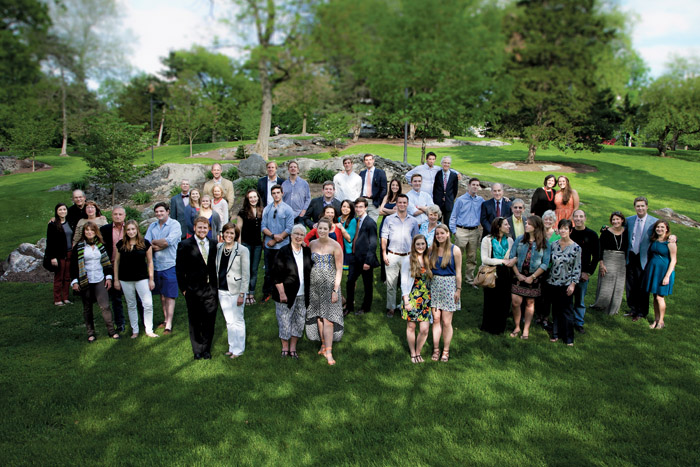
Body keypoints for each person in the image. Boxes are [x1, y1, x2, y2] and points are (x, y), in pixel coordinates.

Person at [176, 216, 218, 360]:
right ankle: (197, 350)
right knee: (195, 321)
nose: (202, 230)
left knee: (209, 320)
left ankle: (206, 349)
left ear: (209, 229)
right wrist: (184, 289)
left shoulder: (214, 244)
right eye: (199, 227)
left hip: (210, 290)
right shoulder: (185, 245)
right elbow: (180, 270)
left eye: (205, 227)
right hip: (193, 289)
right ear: (194, 228)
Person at [70, 222, 119, 342]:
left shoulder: (101, 245)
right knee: (87, 308)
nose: (89, 232)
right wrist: (75, 281)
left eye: (92, 230)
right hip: (85, 280)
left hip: (99, 279)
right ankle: (90, 333)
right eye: (87, 230)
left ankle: (111, 331)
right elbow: (73, 266)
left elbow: (106, 263)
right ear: (84, 232)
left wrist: (108, 278)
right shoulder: (79, 247)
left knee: (105, 306)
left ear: (95, 231)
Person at [306, 218, 344, 365]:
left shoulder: (335, 246)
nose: (322, 231)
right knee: (319, 317)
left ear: (329, 229)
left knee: (328, 319)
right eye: (319, 228)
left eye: (325, 229)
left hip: (330, 286)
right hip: (314, 286)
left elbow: (339, 270)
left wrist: (335, 290)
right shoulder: (311, 244)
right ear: (316, 229)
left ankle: (329, 352)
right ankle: (323, 345)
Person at [271, 224, 312, 358]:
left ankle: (293, 347)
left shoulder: (306, 251)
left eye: (301, 234)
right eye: (296, 234)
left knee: (299, 321)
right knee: (284, 321)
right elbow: (276, 275)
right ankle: (285, 347)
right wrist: (282, 293)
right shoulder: (283, 251)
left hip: (302, 294)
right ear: (291, 235)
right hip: (286, 294)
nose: (299, 237)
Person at [113, 220, 157, 338]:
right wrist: (116, 280)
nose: (131, 232)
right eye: (128, 229)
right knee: (131, 304)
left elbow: (150, 262)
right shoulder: (121, 244)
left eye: (133, 229)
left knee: (147, 304)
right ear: (125, 231)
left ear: (137, 230)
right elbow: (116, 262)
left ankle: (149, 329)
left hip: (142, 278)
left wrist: (151, 279)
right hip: (125, 279)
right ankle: (135, 330)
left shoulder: (145, 243)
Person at [509, 215, 551, 339]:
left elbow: (545, 263)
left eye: (529, 224)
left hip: (534, 277)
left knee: (529, 302)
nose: (526, 225)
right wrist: (518, 274)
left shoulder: (544, 243)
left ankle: (526, 329)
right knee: (516, 302)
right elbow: (512, 257)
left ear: (536, 227)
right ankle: (517, 326)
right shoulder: (520, 240)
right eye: (526, 223)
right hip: (518, 275)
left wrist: (532, 277)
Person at [144, 202, 182, 334]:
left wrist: (155, 243)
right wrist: (159, 244)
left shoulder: (175, 225)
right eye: (157, 212)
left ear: (167, 211)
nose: (159, 214)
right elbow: (146, 243)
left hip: (170, 264)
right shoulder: (152, 226)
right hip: (155, 265)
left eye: (161, 211)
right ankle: (165, 319)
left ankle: (169, 324)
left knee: (170, 295)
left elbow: (168, 241)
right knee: (162, 295)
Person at [381, 194, 420, 317]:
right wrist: (383, 253)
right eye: (400, 202)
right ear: (396, 204)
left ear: (407, 204)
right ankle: (391, 307)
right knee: (391, 283)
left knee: (407, 283)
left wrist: (416, 256)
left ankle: (405, 306)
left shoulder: (413, 221)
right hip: (392, 254)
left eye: (404, 202)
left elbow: (416, 239)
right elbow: (384, 237)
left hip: (408, 256)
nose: (402, 205)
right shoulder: (389, 219)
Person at [216, 223, 250, 357]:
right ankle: (232, 347)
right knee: (229, 320)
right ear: (223, 234)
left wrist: (243, 293)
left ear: (236, 235)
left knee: (238, 320)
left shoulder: (242, 250)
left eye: (232, 233)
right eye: (227, 233)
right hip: (222, 289)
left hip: (236, 290)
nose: (229, 235)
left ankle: (239, 349)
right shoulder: (219, 247)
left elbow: (246, 274)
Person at [429, 224, 462, 362]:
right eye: (437, 234)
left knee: (446, 321)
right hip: (435, 285)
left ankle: (446, 350)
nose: (439, 236)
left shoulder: (455, 250)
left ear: (448, 234)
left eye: (442, 233)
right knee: (436, 319)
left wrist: (458, 289)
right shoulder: (432, 249)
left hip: (449, 285)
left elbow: (459, 271)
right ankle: (436, 349)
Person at [546, 219, 582, 346]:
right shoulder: (554, 244)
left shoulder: (576, 248)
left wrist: (573, 284)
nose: (563, 231)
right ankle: (555, 334)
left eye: (566, 229)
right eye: (561, 228)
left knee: (566, 311)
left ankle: (568, 338)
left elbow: (577, 268)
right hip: (553, 282)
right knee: (555, 309)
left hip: (566, 283)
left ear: (570, 231)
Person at [625, 196, 659, 322]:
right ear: (634, 207)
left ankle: (641, 311)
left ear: (647, 207)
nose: (640, 208)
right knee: (630, 284)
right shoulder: (629, 220)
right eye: (637, 206)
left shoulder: (654, 221)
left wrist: (674, 238)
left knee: (642, 285)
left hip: (644, 257)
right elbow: (617, 226)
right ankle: (632, 309)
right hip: (631, 255)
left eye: (642, 206)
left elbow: (664, 232)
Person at [400, 235, 433, 363]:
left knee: (424, 329)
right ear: (414, 245)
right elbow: (403, 281)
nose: (420, 247)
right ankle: (413, 353)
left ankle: (418, 351)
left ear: (426, 245)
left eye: (422, 244)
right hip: (412, 296)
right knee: (411, 326)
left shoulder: (428, 259)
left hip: (426, 298)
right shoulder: (408, 260)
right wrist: (406, 299)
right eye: (418, 244)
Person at [480, 218, 515, 335]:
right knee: (491, 300)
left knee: (504, 300)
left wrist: (509, 261)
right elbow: (484, 259)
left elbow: (513, 256)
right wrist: (502, 261)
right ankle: (488, 326)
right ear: (499, 226)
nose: (509, 226)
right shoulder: (487, 240)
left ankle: (500, 326)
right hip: (492, 272)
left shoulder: (510, 240)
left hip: (506, 273)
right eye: (506, 224)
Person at [345, 198, 380, 316]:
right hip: (355, 258)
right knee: (350, 282)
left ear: (365, 208)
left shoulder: (370, 223)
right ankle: (349, 306)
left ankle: (366, 307)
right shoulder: (355, 221)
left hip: (365, 260)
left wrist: (368, 261)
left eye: (361, 207)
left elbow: (373, 244)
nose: (358, 209)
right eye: (356, 207)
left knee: (367, 284)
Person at [261, 184, 295, 299]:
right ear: (271, 195)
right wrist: (272, 236)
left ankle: (282, 292)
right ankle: (267, 292)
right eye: (274, 193)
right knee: (269, 270)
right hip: (269, 246)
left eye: (278, 192)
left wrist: (275, 241)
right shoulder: (267, 209)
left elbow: (289, 228)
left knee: (282, 270)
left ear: (282, 193)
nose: (276, 195)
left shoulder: (288, 209)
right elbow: (263, 226)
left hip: (282, 246)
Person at [449, 178, 484, 288]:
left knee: (472, 257)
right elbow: (453, 216)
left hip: (474, 231)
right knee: (456, 256)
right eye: (473, 184)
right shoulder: (460, 200)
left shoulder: (481, 200)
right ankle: (453, 279)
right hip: (461, 230)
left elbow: (491, 205)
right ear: (468, 185)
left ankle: (469, 280)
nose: (475, 187)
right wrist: (454, 231)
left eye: (477, 185)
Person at [592, 212, 628, 315]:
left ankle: (613, 307)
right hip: (608, 258)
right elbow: (600, 248)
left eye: (618, 219)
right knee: (606, 283)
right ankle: (601, 305)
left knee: (618, 284)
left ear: (622, 220)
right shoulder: (606, 232)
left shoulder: (626, 232)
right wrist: (601, 264)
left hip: (621, 260)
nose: (615, 221)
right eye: (613, 220)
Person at [569, 209, 599, 334]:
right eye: (576, 216)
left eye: (581, 216)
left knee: (580, 299)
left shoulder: (591, 235)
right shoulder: (569, 233)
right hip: (568, 271)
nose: (578, 219)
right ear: (573, 218)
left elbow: (596, 256)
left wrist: (588, 272)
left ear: (585, 218)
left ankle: (579, 322)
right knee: (568, 298)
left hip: (583, 271)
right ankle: (568, 320)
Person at [643, 220, 676, 329]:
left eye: (662, 227)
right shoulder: (654, 240)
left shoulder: (670, 243)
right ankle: (656, 320)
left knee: (659, 297)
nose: (659, 229)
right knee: (654, 296)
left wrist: (667, 276)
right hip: (654, 271)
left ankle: (661, 321)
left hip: (664, 272)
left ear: (666, 229)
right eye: (658, 227)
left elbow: (673, 260)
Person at [100, 206, 127, 333]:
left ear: (124, 216)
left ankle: (141, 323)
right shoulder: (104, 230)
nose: (117, 216)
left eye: (120, 214)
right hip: (111, 266)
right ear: (112, 216)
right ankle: (120, 323)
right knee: (116, 297)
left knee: (133, 296)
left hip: (127, 266)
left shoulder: (130, 228)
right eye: (115, 214)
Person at [236, 189, 263, 305]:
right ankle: (244, 293)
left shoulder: (261, 211)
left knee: (254, 270)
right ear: (247, 199)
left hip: (257, 245)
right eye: (250, 197)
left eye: (255, 197)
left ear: (258, 198)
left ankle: (251, 293)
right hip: (245, 244)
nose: (253, 199)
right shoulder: (242, 212)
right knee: (245, 270)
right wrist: (239, 244)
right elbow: (238, 229)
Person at [45, 203, 73, 306]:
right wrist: (52, 257)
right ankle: (57, 299)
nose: (62, 211)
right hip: (59, 255)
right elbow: (50, 242)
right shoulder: (52, 225)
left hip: (70, 253)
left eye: (64, 209)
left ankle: (65, 298)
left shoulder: (69, 222)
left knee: (67, 277)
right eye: (60, 210)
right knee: (59, 277)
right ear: (56, 211)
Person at [359, 153, 387, 221]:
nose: (368, 162)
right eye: (366, 160)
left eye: (370, 160)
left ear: (373, 160)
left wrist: (378, 201)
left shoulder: (380, 172)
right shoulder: (362, 173)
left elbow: (384, 189)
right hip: (363, 201)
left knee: (372, 224)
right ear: (364, 162)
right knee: (362, 223)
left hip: (374, 202)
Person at [433, 156, 460, 225]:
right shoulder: (437, 174)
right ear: (441, 163)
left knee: (448, 223)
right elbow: (435, 188)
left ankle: (448, 235)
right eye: (445, 163)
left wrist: (449, 198)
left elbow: (455, 190)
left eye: (448, 163)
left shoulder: (454, 176)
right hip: (438, 203)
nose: (446, 165)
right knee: (436, 222)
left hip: (448, 203)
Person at [337, 200, 357, 271]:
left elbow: (349, 239)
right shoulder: (338, 219)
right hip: (338, 248)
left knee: (350, 274)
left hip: (347, 250)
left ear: (351, 209)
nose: (345, 208)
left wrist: (341, 228)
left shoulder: (352, 221)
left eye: (348, 207)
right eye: (344, 206)